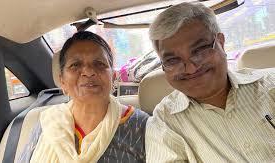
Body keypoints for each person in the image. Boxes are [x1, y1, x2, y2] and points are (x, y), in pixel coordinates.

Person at [146, 2, 275, 162]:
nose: (191, 69)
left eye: (200, 50)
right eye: (172, 60)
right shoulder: (164, 121)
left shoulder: (271, 85)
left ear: (220, 42)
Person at [19, 31, 149, 163]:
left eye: (99, 63)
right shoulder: (48, 123)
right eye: (75, 65)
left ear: (113, 77)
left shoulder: (141, 125)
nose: (88, 72)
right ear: (62, 81)